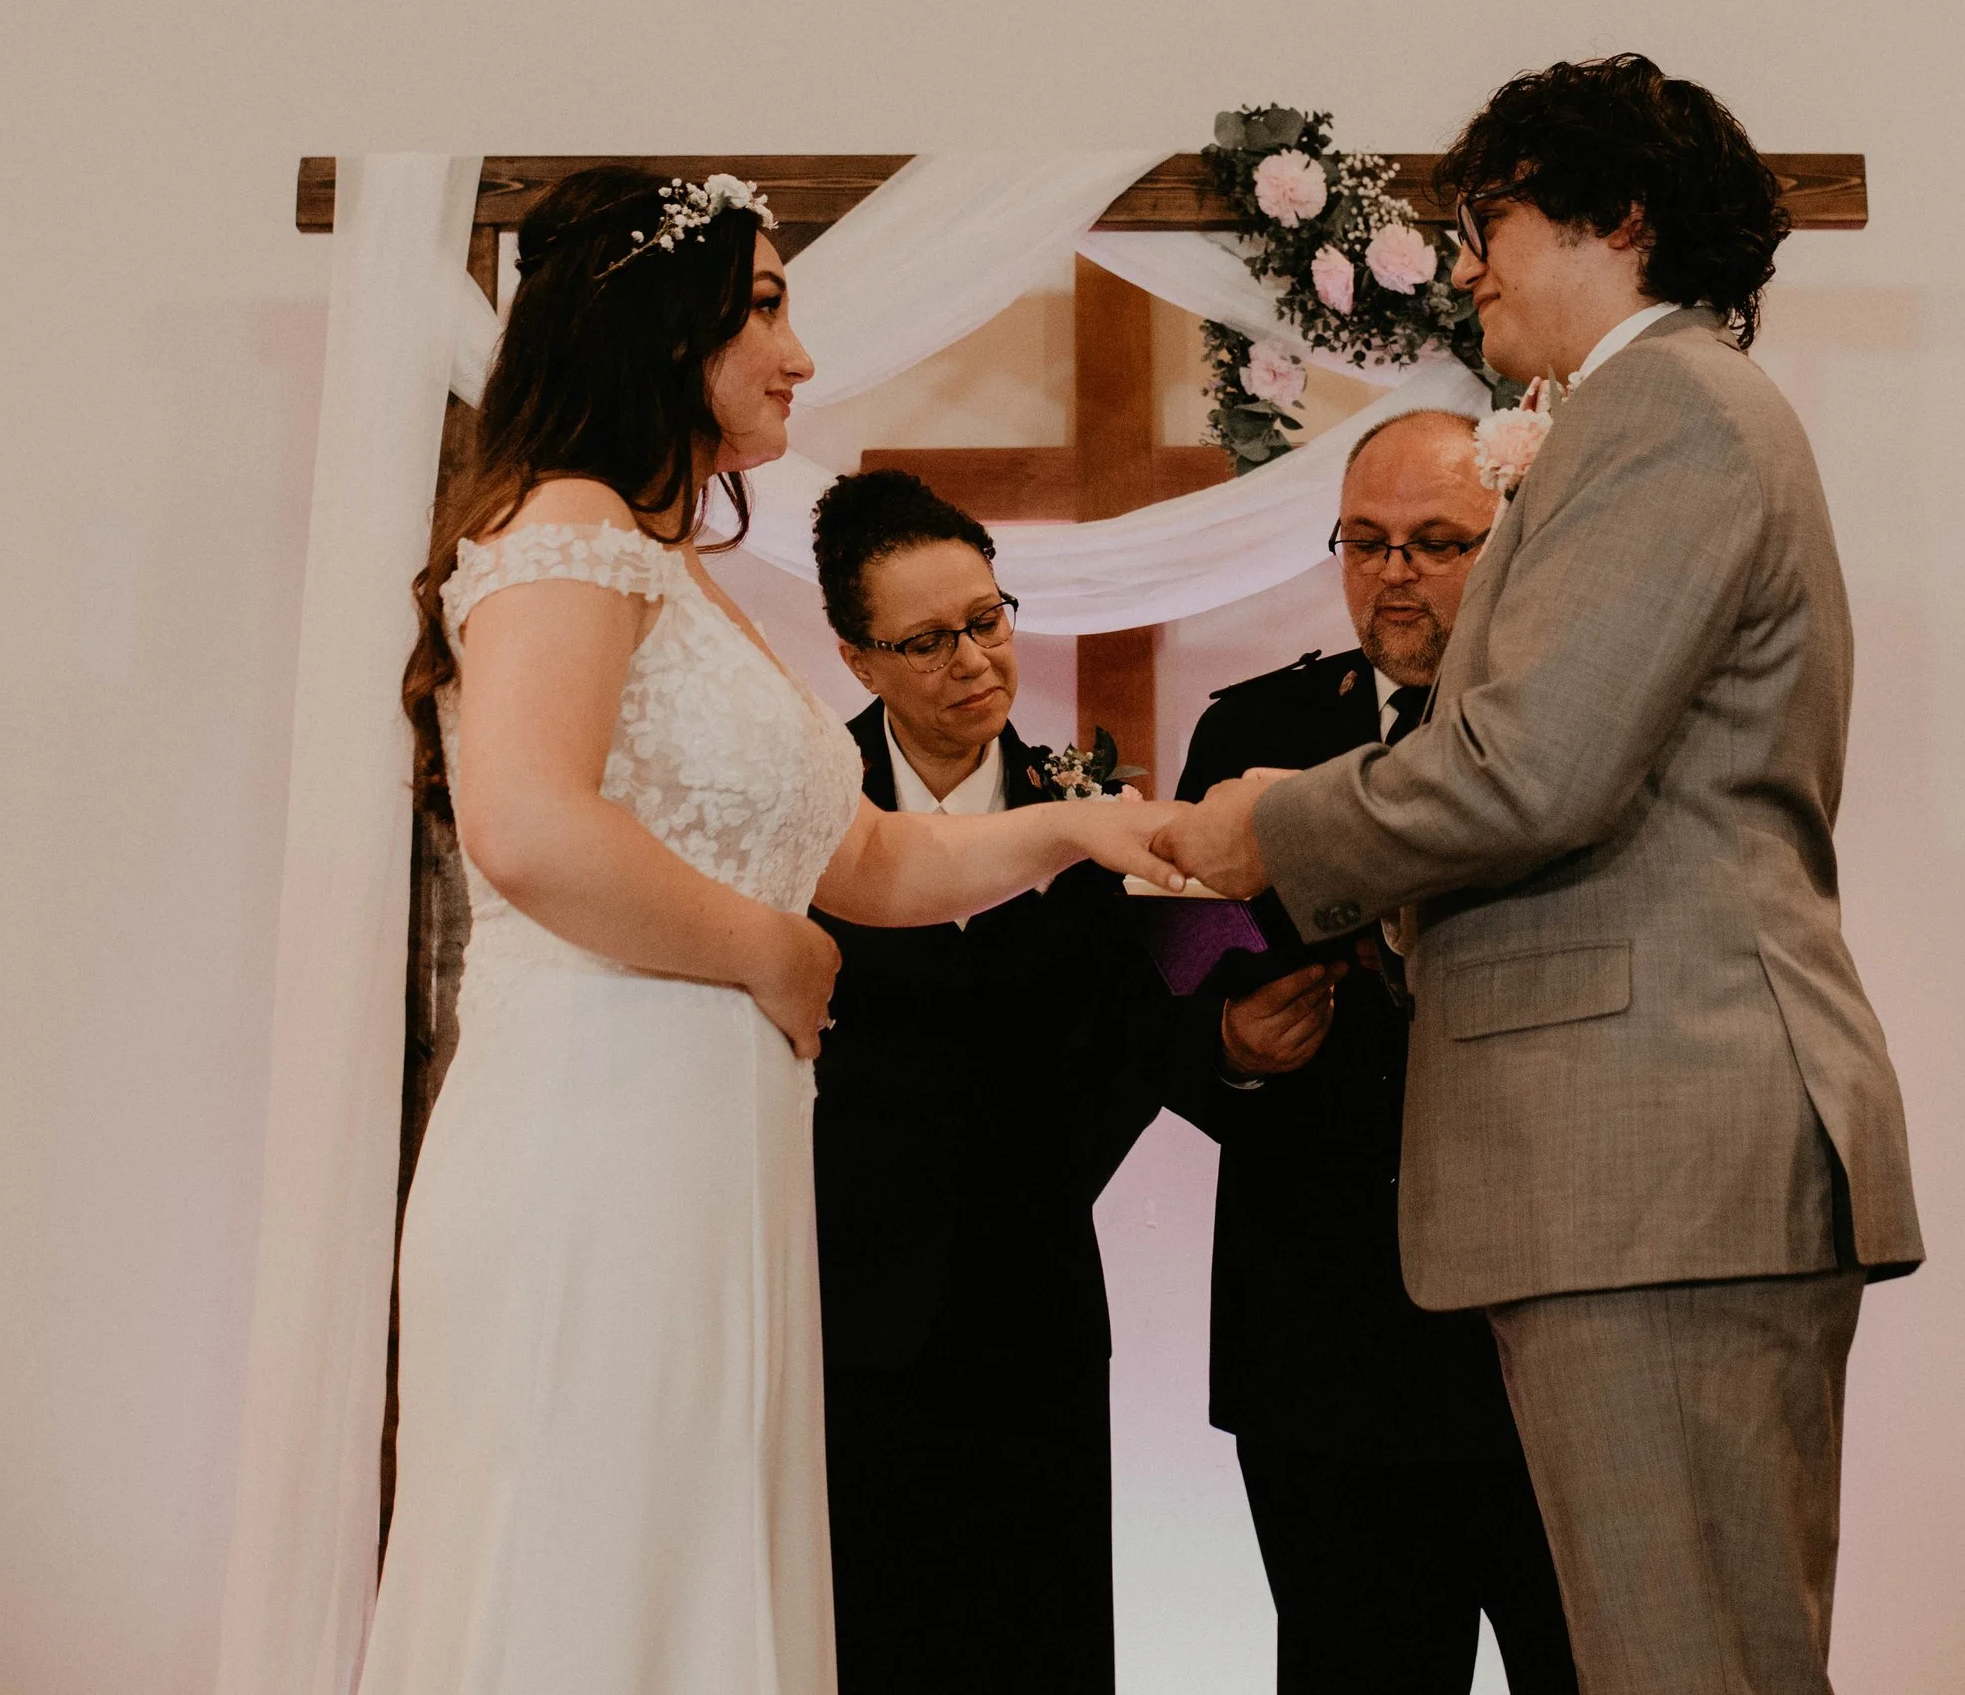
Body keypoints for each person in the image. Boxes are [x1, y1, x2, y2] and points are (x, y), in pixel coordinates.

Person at [1154, 56, 1923, 1695]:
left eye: (1486, 211)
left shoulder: (1672, 411)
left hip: (1656, 1156)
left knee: (1691, 1659)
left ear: (1620, 216)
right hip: (1625, 1167)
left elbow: (1536, 770)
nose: (1467, 255)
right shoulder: (1636, 415)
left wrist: (1266, 829)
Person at [370, 167, 1176, 1695]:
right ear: (657, 333)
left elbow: (863, 851)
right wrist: (766, 947)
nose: (800, 352)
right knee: (594, 1545)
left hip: (701, 1130)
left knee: (695, 1549)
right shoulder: (569, 532)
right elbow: (527, 823)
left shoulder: (671, 563)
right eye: (764, 305)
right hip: (596, 1125)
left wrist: (1080, 823)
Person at [1169, 408, 1578, 1695]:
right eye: (1364, 541)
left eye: (1436, 541)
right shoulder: (1251, 732)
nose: (1393, 572)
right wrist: (1231, 1045)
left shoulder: (1570, 738)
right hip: (1326, 1343)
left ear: (1508, 543)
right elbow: (1172, 989)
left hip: (1536, 1337)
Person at [806, 469, 1172, 1695]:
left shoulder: (1083, 800)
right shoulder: (803, 810)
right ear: (858, 659)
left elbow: (1127, 1040)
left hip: (1036, 1297)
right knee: (870, 1628)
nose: (973, 659)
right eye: (925, 639)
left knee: (1044, 1629)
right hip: (849, 1298)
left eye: (988, 617)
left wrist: (1034, 1179)